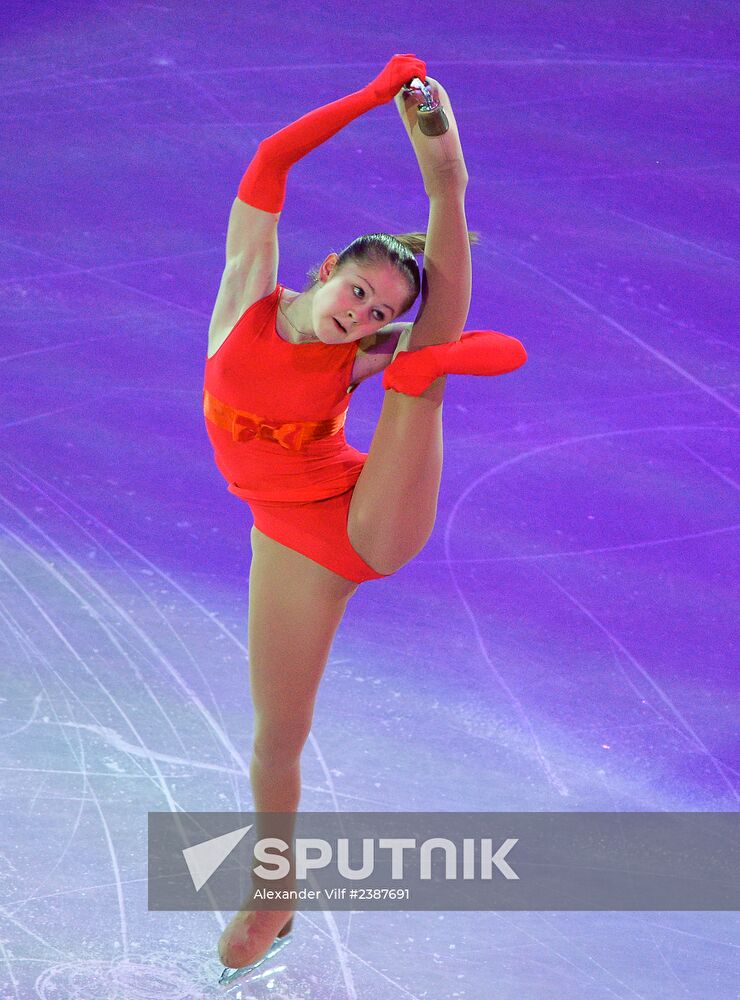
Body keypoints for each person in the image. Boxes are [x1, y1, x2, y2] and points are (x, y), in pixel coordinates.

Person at [202, 54, 527, 980]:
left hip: (365, 518)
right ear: (326, 269)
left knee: (417, 375)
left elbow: (443, 289)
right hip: (286, 539)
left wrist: (444, 175)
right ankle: (275, 890)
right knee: (276, 738)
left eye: (381, 311)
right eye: (357, 292)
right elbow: (271, 159)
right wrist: (372, 96)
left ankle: (430, 370)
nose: (360, 314)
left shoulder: (364, 356)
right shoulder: (245, 297)